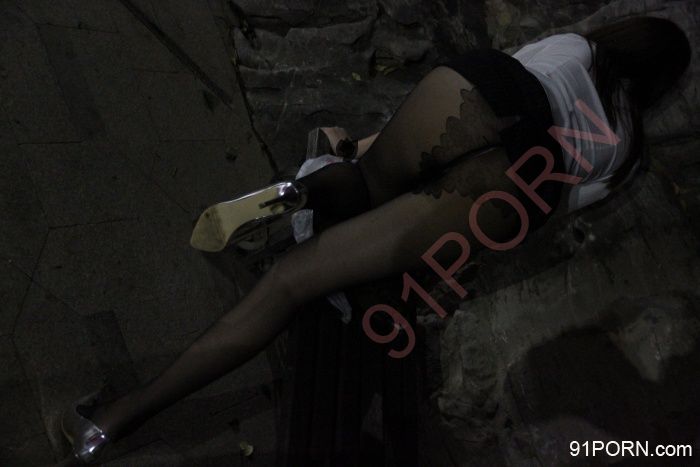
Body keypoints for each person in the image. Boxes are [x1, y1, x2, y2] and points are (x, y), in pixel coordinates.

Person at [60, 16, 690, 464]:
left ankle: (303, 189)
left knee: (363, 180)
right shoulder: (627, 151)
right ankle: (108, 425)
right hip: (520, 180)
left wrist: (367, 152)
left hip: (489, 89)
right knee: (292, 284)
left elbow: (519, 71)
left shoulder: (578, 47)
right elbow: (544, 212)